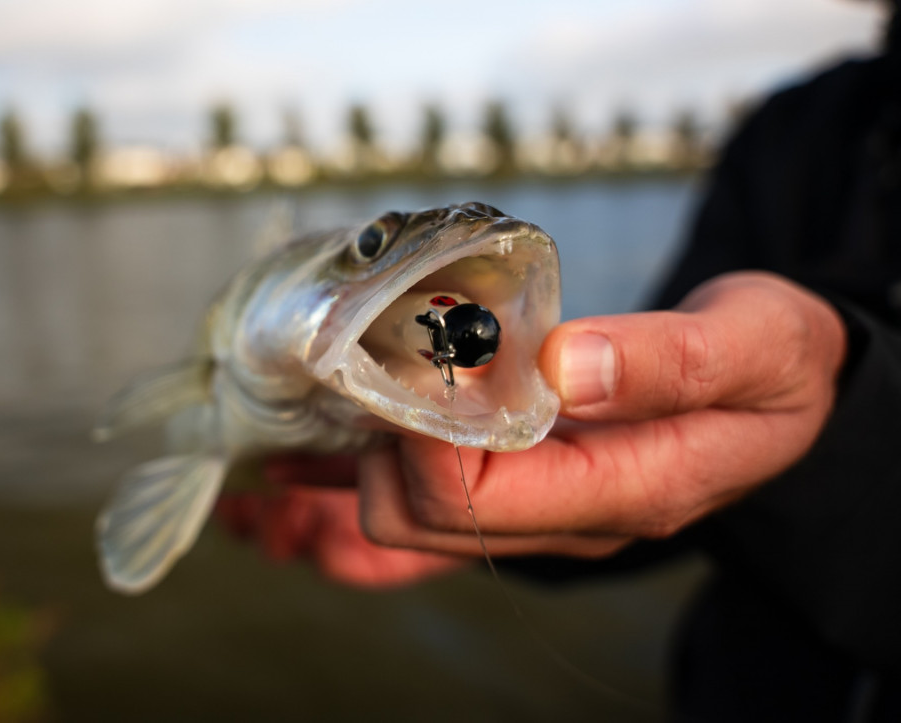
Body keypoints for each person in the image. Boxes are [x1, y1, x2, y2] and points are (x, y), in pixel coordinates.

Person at [218, 3, 901, 719]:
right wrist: (493, 526)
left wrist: (840, 421)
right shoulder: (792, 132)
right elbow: (675, 464)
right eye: (370, 248)